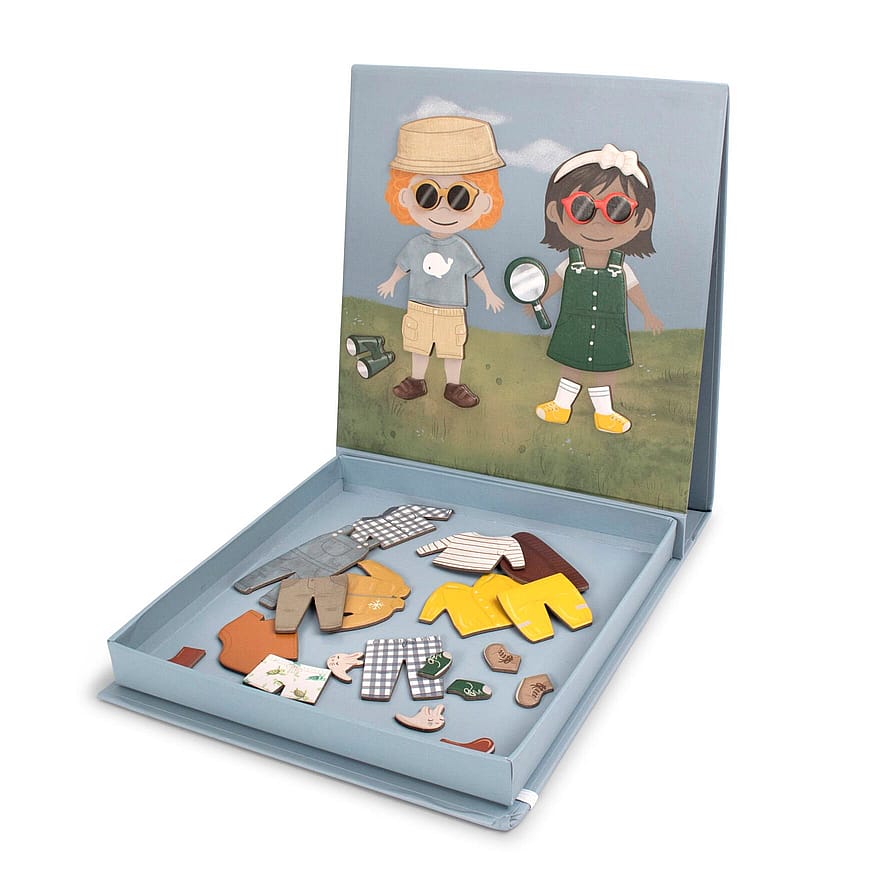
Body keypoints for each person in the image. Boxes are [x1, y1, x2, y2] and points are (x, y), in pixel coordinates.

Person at [377, 116, 505, 408]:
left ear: (483, 202)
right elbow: (404, 264)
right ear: (406, 197)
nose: (443, 208)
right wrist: (391, 281)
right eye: (427, 195)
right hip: (419, 306)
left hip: (451, 310)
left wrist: (489, 292)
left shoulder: (460, 247)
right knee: (418, 345)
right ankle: (416, 380)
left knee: (452, 348)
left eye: (460, 198)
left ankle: (453, 385)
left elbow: (475, 271)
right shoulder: (416, 244)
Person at [534, 144, 663, 433]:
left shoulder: (621, 267)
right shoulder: (570, 262)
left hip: (609, 327)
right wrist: (537, 299)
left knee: (605, 368)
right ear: (556, 212)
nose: (599, 222)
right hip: (574, 324)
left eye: (618, 209)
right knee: (571, 364)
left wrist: (647, 313)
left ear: (642, 219)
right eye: (582, 208)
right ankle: (561, 405)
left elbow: (633, 289)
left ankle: (605, 413)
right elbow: (555, 281)